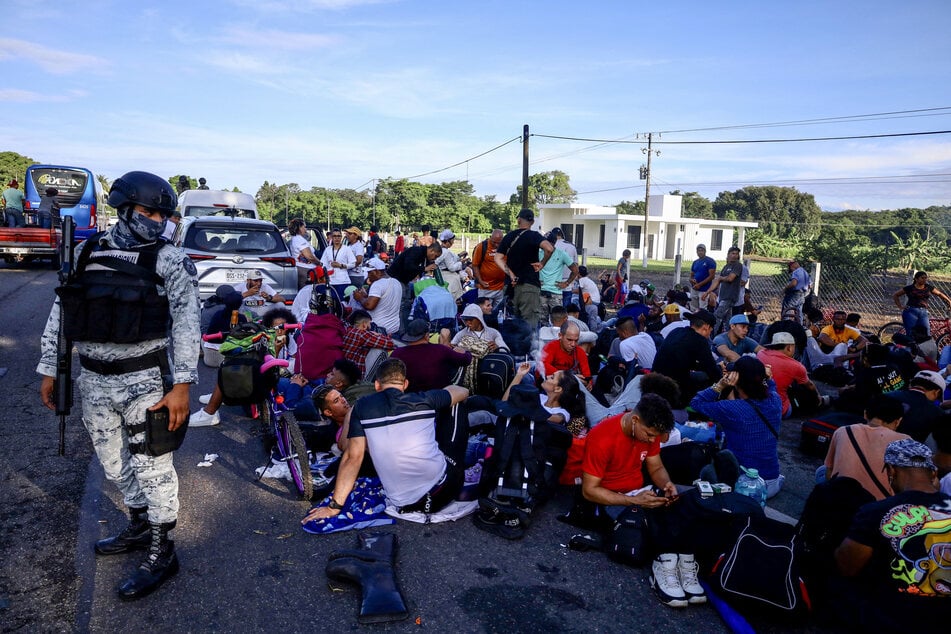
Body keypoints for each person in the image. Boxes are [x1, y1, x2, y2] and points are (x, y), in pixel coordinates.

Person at [37, 171, 200, 600]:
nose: (157, 220)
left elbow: (186, 324)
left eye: (163, 214)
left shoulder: (170, 259)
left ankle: (163, 552)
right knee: (114, 465)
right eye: (149, 211)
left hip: (145, 379)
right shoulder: (87, 250)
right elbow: (63, 310)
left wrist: (182, 384)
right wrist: (50, 366)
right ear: (125, 209)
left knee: (153, 469)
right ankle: (139, 524)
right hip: (92, 381)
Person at [302, 359, 470, 520]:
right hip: (441, 492)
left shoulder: (361, 407)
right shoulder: (424, 399)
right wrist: (444, 392)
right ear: (405, 384)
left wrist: (334, 507)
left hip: (403, 502)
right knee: (455, 404)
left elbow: (353, 457)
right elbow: (463, 391)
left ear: (377, 385)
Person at [580, 395, 707, 607]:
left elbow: (656, 467)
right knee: (656, 519)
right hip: (613, 499)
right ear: (635, 420)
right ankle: (664, 564)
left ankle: (683, 559)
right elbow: (589, 491)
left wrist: (667, 485)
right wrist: (633, 501)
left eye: (654, 437)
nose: (651, 440)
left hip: (640, 489)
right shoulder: (601, 437)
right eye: (648, 435)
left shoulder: (650, 431)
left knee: (689, 500)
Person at [832, 439, 948, 629]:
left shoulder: (876, 512)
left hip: (889, 619)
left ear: (892, 471)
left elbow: (847, 566)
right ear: (933, 473)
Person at [690, 356, 785, 498]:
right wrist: (768, 377)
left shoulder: (733, 409)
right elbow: (772, 386)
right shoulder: (775, 400)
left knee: (707, 470)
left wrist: (720, 385)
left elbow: (696, 402)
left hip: (744, 486)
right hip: (771, 482)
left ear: (737, 381)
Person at [819, 395, 910, 500]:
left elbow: (829, 471)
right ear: (898, 421)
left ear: (865, 414)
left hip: (841, 496)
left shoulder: (843, 431)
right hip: (877, 505)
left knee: (821, 471)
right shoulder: (906, 441)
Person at [494, 209, 555, 330]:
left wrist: (511, 274)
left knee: (511, 324)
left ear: (518, 220)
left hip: (511, 286)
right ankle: (529, 348)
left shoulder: (509, 237)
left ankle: (513, 347)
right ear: (532, 222)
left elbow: (498, 258)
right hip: (529, 286)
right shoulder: (534, 236)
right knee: (529, 325)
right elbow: (549, 249)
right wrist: (542, 263)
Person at [652, 310, 722, 407]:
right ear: (706, 328)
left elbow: (683, 359)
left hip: (654, 383)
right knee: (709, 379)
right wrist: (723, 375)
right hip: (674, 391)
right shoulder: (699, 340)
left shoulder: (676, 331)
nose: (709, 335)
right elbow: (712, 371)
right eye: (710, 331)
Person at [391, 319, 472, 392]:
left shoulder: (397, 354)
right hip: (439, 399)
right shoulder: (440, 350)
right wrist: (464, 352)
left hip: (407, 400)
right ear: (427, 336)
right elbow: (466, 359)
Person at [757, 331, 820, 418]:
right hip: (780, 410)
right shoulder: (796, 365)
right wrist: (817, 396)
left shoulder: (761, 353)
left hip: (758, 407)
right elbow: (810, 385)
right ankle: (822, 402)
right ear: (789, 347)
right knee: (804, 390)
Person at [387, 241, 441, 335]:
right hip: (396, 279)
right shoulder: (417, 251)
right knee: (401, 305)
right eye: (435, 256)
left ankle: (406, 329)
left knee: (407, 304)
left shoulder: (424, 256)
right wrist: (424, 269)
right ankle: (400, 332)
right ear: (431, 250)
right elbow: (408, 265)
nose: (434, 258)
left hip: (405, 281)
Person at [886, 370, 947, 443]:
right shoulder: (937, 413)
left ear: (911, 384)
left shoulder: (887, 396)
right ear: (936, 392)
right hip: (910, 452)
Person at [350, 257, 402, 335]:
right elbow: (385, 301)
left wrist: (359, 298)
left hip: (379, 329)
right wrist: (366, 296)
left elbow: (369, 306)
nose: (368, 276)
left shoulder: (378, 284)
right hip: (394, 328)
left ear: (377, 272)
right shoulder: (396, 282)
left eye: (369, 272)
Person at [893, 270, 951, 339]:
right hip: (911, 311)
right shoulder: (910, 288)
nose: (924, 280)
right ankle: (910, 348)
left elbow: (939, 294)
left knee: (926, 333)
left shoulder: (928, 287)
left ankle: (923, 349)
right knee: (911, 334)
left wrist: (949, 301)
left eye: (925, 278)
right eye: (922, 278)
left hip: (923, 312)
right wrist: (900, 306)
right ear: (916, 279)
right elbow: (896, 295)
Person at [701, 246, 743, 334]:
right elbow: (717, 281)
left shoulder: (738, 265)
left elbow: (731, 278)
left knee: (716, 316)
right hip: (723, 296)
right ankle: (730, 337)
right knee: (727, 320)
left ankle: (710, 336)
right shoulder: (726, 266)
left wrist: (721, 278)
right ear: (728, 255)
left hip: (730, 296)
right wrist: (707, 292)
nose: (735, 256)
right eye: (733, 253)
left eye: (736, 254)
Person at [342, 309, 395, 377]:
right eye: (369, 323)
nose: (370, 326)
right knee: (381, 351)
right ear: (364, 324)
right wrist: (376, 335)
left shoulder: (348, 329)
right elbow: (391, 344)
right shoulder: (361, 334)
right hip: (355, 374)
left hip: (344, 369)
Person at [539, 235, 579, 322]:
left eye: (551, 244)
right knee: (542, 321)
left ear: (554, 243)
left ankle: (557, 335)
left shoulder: (561, 254)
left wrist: (567, 283)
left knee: (558, 320)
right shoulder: (539, 253)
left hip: (555, 292)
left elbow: (575, 270)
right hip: (542, 291)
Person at [540, 322, 592, 389]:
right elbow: (543, 366)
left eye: (576, 340)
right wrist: (570, 377)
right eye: (569, 340)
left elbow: (587, 374)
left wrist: (588, 383)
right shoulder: (550, 348)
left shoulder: (579, 352)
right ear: (560, 335)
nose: (573, 344)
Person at [470, 229, 506, 307]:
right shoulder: (482, 247)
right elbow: (475, 265)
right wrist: (480, 281)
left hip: (500, 288)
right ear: (490, 237)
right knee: (484, 311)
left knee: (498, 313)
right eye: (494, 242)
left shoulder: (505, 247)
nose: (496, 245)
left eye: (499, 243)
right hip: (485, 288)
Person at [320, 227, 358, 300]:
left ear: (341, 237)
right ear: (331, 237)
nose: (337, 238)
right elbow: (323, 264)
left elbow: (353, 264)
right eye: (334, 236)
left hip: (343, 281)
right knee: (331, 303)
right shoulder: (327, 249)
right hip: (331, 281)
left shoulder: (346, 249)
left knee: (342, 303)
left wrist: (341, 265)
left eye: (339, 236)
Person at [548, 227, 578, 306]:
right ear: (562, 234)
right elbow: (576, 266)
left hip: (553, 283)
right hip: (568, 282)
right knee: (565, 311)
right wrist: (568, 282)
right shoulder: (571, 246)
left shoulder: (549, 245)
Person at [288, 218, 319, 290]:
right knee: (307, 292)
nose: (305, 229)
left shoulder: (295, 239)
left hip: (301, 268)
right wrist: (320, 263)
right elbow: (309, 256)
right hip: (305, 270)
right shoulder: (299, 240)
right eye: (304, 227)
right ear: (299, 228)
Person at [688, 244, 716, 312]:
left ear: (705, 251)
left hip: (704, 289)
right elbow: (692, 274)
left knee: (702, 308)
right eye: (698, 250)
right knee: (693, 307)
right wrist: (691, 280)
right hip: (694, 288)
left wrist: (699, 284)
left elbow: (711, 276)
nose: (700, 252)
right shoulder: (695, 262)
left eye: (702, 250)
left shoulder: (710, 261)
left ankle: (702, 322)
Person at [574, 266, 602, 332]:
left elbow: (578, 291)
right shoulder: (587, 279)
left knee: (575, 302)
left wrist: (570, 290)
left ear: (579, 274)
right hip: (596, 300)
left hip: (592, 301)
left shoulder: (582, 280)